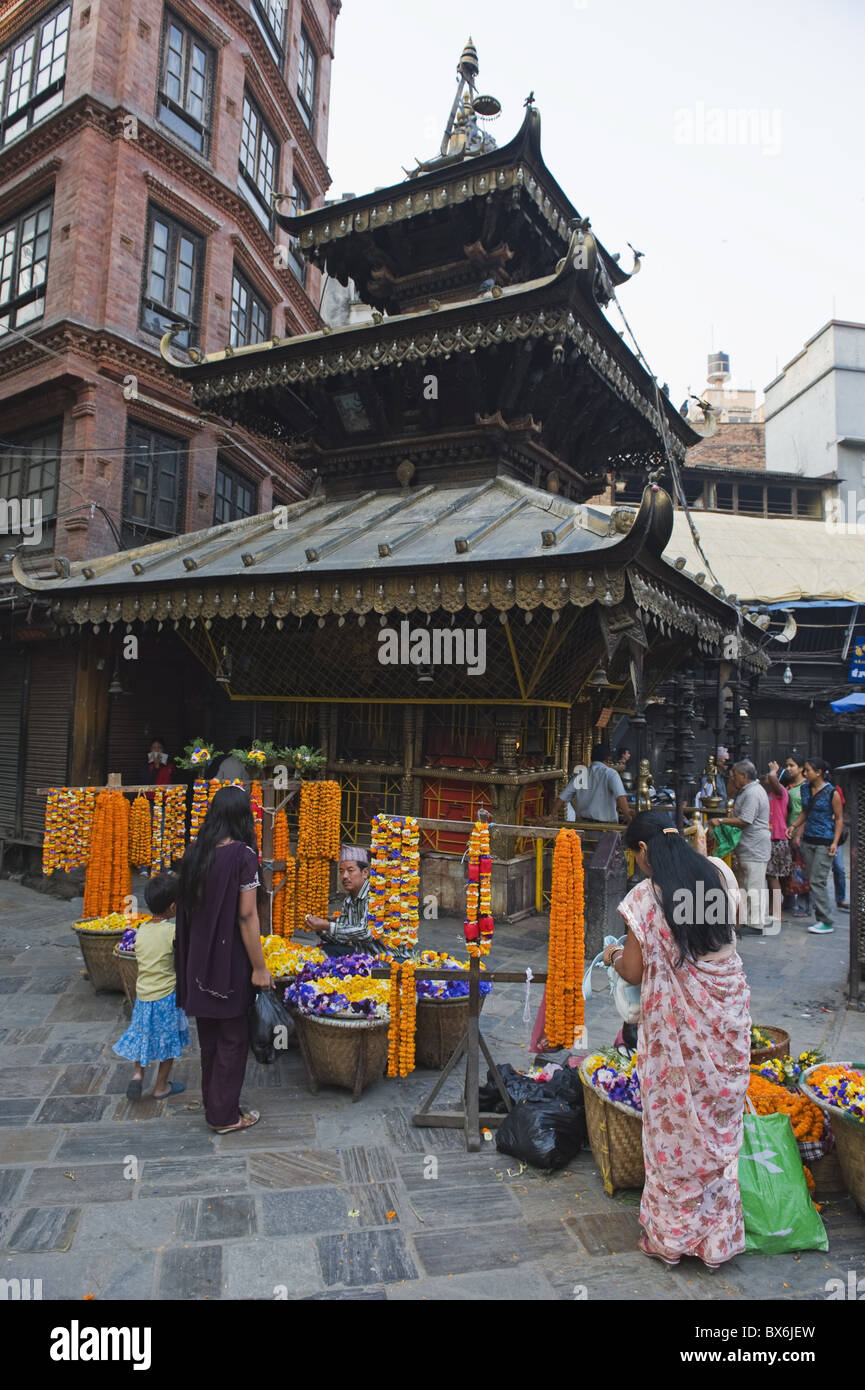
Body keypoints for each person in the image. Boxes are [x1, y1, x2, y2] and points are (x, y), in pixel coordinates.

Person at [603, 810, 749, 1269]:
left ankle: (673, 1236)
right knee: (717, 1128)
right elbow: (729, 936)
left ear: (644, 851)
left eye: (634, 855)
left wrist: (610, 954)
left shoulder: (645, 900)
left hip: (678, 1041)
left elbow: (632, 970)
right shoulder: (718, 874)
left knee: (676, 1133)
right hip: (726, 1022)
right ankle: (715, 1240)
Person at [174, 785, 273, 1133]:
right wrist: (260, 967)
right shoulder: (243, 856)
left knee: (211, 1038)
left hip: (197, 960)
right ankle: (225, 1116)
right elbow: (247, 917)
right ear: (243, 816)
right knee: (233, 1037)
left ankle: (216, 1105)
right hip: (228, 959)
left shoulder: (195, 852)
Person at [113, 872, 190, 1101]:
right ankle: (160, 1087)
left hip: (143, 996)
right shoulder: (172, 932)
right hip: (166, 996)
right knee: (168, 1042)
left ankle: (137, 1074)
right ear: (174, 907)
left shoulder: (141, 931)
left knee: (143, 1037)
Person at [709, 760, 771, 933]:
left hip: (755, 847)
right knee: (746, 885)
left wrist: (721, 820)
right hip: (748, 846)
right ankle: (745, 921)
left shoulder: (752, 793)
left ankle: (756, 924)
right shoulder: (747, 791)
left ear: (744, 776)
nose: (732, 779)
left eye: (734, 776)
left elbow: (745, 820)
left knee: (754, 885)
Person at [787, 758, 844, 936]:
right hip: (808, 839)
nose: (805, 773)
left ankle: (825, 920)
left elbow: (839, 818)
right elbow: (805, 811)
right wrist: (794, 826)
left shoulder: (831, 792)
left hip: (825, 839)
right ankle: (821, 917)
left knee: (818, 880)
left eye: (809, 770)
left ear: (819, 772)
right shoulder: (805, 788)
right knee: (812, 879)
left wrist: (835, 842)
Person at [303, 846, 379, 956]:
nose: (344, 876)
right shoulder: (348, 900)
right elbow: (341, 939)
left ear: (365, 873)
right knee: (322, 951)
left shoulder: (375, 897)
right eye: (341, 871)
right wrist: (319, 929)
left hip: (383, 958)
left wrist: (327, 925)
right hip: (360, 953)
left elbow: (365, 933)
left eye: (350, 870)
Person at [558, 741, 632, 825]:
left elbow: (562, 797)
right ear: (608, 759)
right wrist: (629, 819)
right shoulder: (611, 773)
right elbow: (620, 798)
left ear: (591, 758)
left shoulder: (581, 774)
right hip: (606, 828)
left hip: (583, 826)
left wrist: (551, 816)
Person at [781, 753, 811, 917]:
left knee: (801, 871)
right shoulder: (790, 786)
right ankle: (789, 900)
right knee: (790, 869)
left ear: (801, 768)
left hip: (800, 832)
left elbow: (806, 812)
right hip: (789, 831)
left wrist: (799, 834)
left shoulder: (806, 788)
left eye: (792, 765)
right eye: (787, 765)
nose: (788, 769)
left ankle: (804, 905)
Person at [764, 761, 792, 924]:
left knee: (773, 876)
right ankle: (772, 909)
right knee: (770, 876)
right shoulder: (770, 795)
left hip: (778, 839)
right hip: (771, 838)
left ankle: (777, 911)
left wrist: (773, 771)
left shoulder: (781, 793)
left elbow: (774, 780)